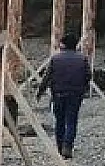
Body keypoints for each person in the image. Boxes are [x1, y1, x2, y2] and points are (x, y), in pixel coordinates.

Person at [36, 31, 91, 159]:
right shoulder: (82, 59)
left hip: (58, 94)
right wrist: (83, 88)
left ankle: (60, 146)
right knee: (71, 120)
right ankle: (68, 146)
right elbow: (88, 76)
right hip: (75, 94)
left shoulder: (55, 59)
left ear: (63, 44)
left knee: (59, 121)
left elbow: (46, 77)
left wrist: (40, 91)